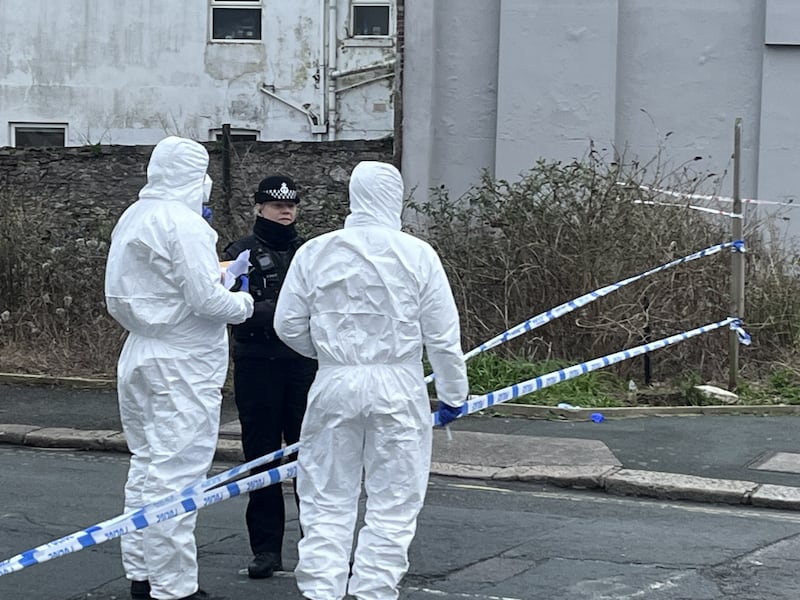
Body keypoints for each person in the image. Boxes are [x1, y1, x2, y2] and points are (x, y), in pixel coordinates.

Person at [274, 160, 469, 600]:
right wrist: (454, 394)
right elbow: (442, 337)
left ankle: (321, 591)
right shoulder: (417, 254)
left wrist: (328, 355)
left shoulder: (316, 251)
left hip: (334, 384)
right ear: (394, 199)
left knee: (326, 497)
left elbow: (288, 324)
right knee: (393, 501)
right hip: (398, 386)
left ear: (353, 197)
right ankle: (373, 592)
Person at [104, 136, 254, 600]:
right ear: (193, 175)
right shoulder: (183, 223)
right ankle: (174, 588)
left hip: (140, 353)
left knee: (147, 468)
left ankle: (143, 574)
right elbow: (208, 301)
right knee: (179, 477)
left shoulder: (134, 216)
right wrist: (244, 298)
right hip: (182, 363)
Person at [221, 175, 317, 580]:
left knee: (310, 461)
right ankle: (265, 550)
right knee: (261, 459)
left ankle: (317, 549)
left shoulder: (310, 252)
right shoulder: (238, 252)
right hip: (257, 364)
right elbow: (229, 306)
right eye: (277, 204)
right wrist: (281, 313)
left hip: (303, 365)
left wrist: (270, 311)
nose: (285, 210)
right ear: (259, 207)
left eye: (291, 204)